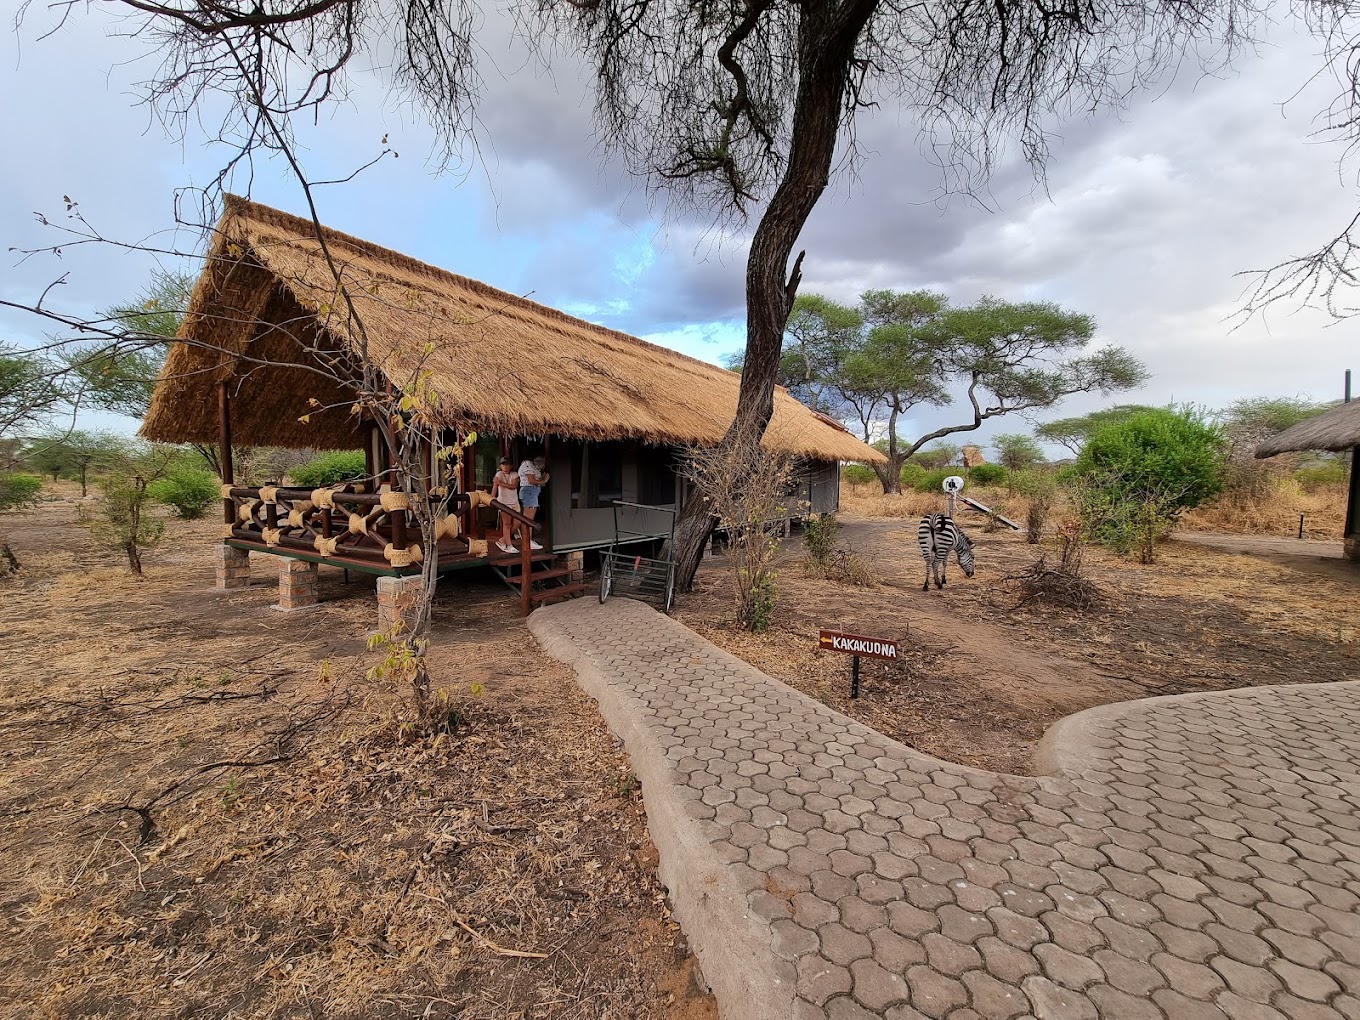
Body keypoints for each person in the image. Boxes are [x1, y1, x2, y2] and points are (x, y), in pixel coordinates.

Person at [517, 454, 550, 550]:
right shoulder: (528, 464)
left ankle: (528, 540)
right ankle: (527, 542)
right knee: (528, 519)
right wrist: (544, 480)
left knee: (529, 518)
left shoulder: (533, 467)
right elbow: (531, 480)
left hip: (532, 492)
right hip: (529, 491)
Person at [491, 456, 520, 553]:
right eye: (503, 464)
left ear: (511, 466)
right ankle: (509, 545)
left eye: (507, 465)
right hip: (503, 502)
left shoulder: (515, 474)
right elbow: (495, 487)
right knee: (507, 524)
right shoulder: (499, 473)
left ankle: (503, 540)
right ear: (500, 466)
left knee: (517, 523)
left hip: (514, 502)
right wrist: (491, 498)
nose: (505, 467)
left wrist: (500, 483)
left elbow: (514, 486)